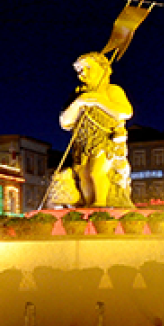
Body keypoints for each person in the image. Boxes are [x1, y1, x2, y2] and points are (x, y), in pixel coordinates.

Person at [45, 51, 134, 209]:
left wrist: (97, 100)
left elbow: (125, 112)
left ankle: (100, 203)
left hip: (104, 139)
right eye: (79, 70)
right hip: (83, 142)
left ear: (104, 70)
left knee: (97, 171)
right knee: (83, 174)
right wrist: (78, 103)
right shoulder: (78, 94)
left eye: (88, 68)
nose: (82, 74)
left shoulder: (111, 90)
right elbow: (65, 122)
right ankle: (88, 204)